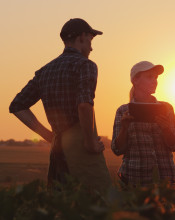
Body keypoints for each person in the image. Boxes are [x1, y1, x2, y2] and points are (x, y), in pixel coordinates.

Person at [9, 18, 111, 191]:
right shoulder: (85, 65)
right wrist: (89, 142)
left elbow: (17, 106)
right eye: (90, 40)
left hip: (58, 151)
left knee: (61, 206)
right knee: (96, 204)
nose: (91, 47)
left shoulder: (45, 71)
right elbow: (85, 105)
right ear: (81, 37)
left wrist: (49, 135)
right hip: (82, 151)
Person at [111, 61, 175, 186]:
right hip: (134, 180)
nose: (154, 81)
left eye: (156, 77)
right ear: (135, 80)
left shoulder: (167, 108)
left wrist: (165, 129)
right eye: (149, 77)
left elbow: (174, 145)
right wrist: (124, 128)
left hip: (165, 180)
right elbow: (117, 149)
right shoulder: (123, 111)